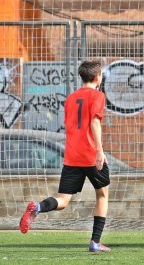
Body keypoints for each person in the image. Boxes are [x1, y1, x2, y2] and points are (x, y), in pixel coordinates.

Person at [19, 60, 111, 253]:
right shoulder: (98, 95)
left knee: (63, 200)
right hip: (91, 155)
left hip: (72, 155)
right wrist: (100, 151)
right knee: (102, 195)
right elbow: (94, 122)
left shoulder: (70, 98)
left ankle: (38, 207)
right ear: (97, 77)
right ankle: (95, 242)